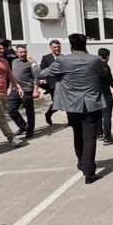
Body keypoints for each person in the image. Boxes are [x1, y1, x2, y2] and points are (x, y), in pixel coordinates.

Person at [39, 33, 106, 184]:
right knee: (90, 137)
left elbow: (43, 73)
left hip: (72, 105)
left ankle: (82, 162)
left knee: (77, 133)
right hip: (92, 104)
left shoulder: (62, 60)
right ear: (85, 45)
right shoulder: (95, 59)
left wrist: (33, 65)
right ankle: (89, 172)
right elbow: (103, 73)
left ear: (71, 46)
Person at [7, 45, 40, 138]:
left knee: (29, 112)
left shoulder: (30, 63)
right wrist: (9, 87)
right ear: (17, 53)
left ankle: (30, 130)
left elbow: (36, 77)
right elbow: (12, 76)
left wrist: (36, 90)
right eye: (21, 52)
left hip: (27, 90)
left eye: (25, 52)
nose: (23, 54)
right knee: (11, 110)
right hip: (15, 90)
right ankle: (22, 126)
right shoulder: (13, 62)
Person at [39, 40, 62, 125]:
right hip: (52, 85)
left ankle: (71, 121)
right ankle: (48, 114)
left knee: (66, 102)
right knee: (56, 104)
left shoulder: (64, 57)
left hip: (63, 84)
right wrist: (42, 79)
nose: (57, 49)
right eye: (54, 47)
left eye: (58, 47)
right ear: (51, 48)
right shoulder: (46, 58)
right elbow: (42, 69)